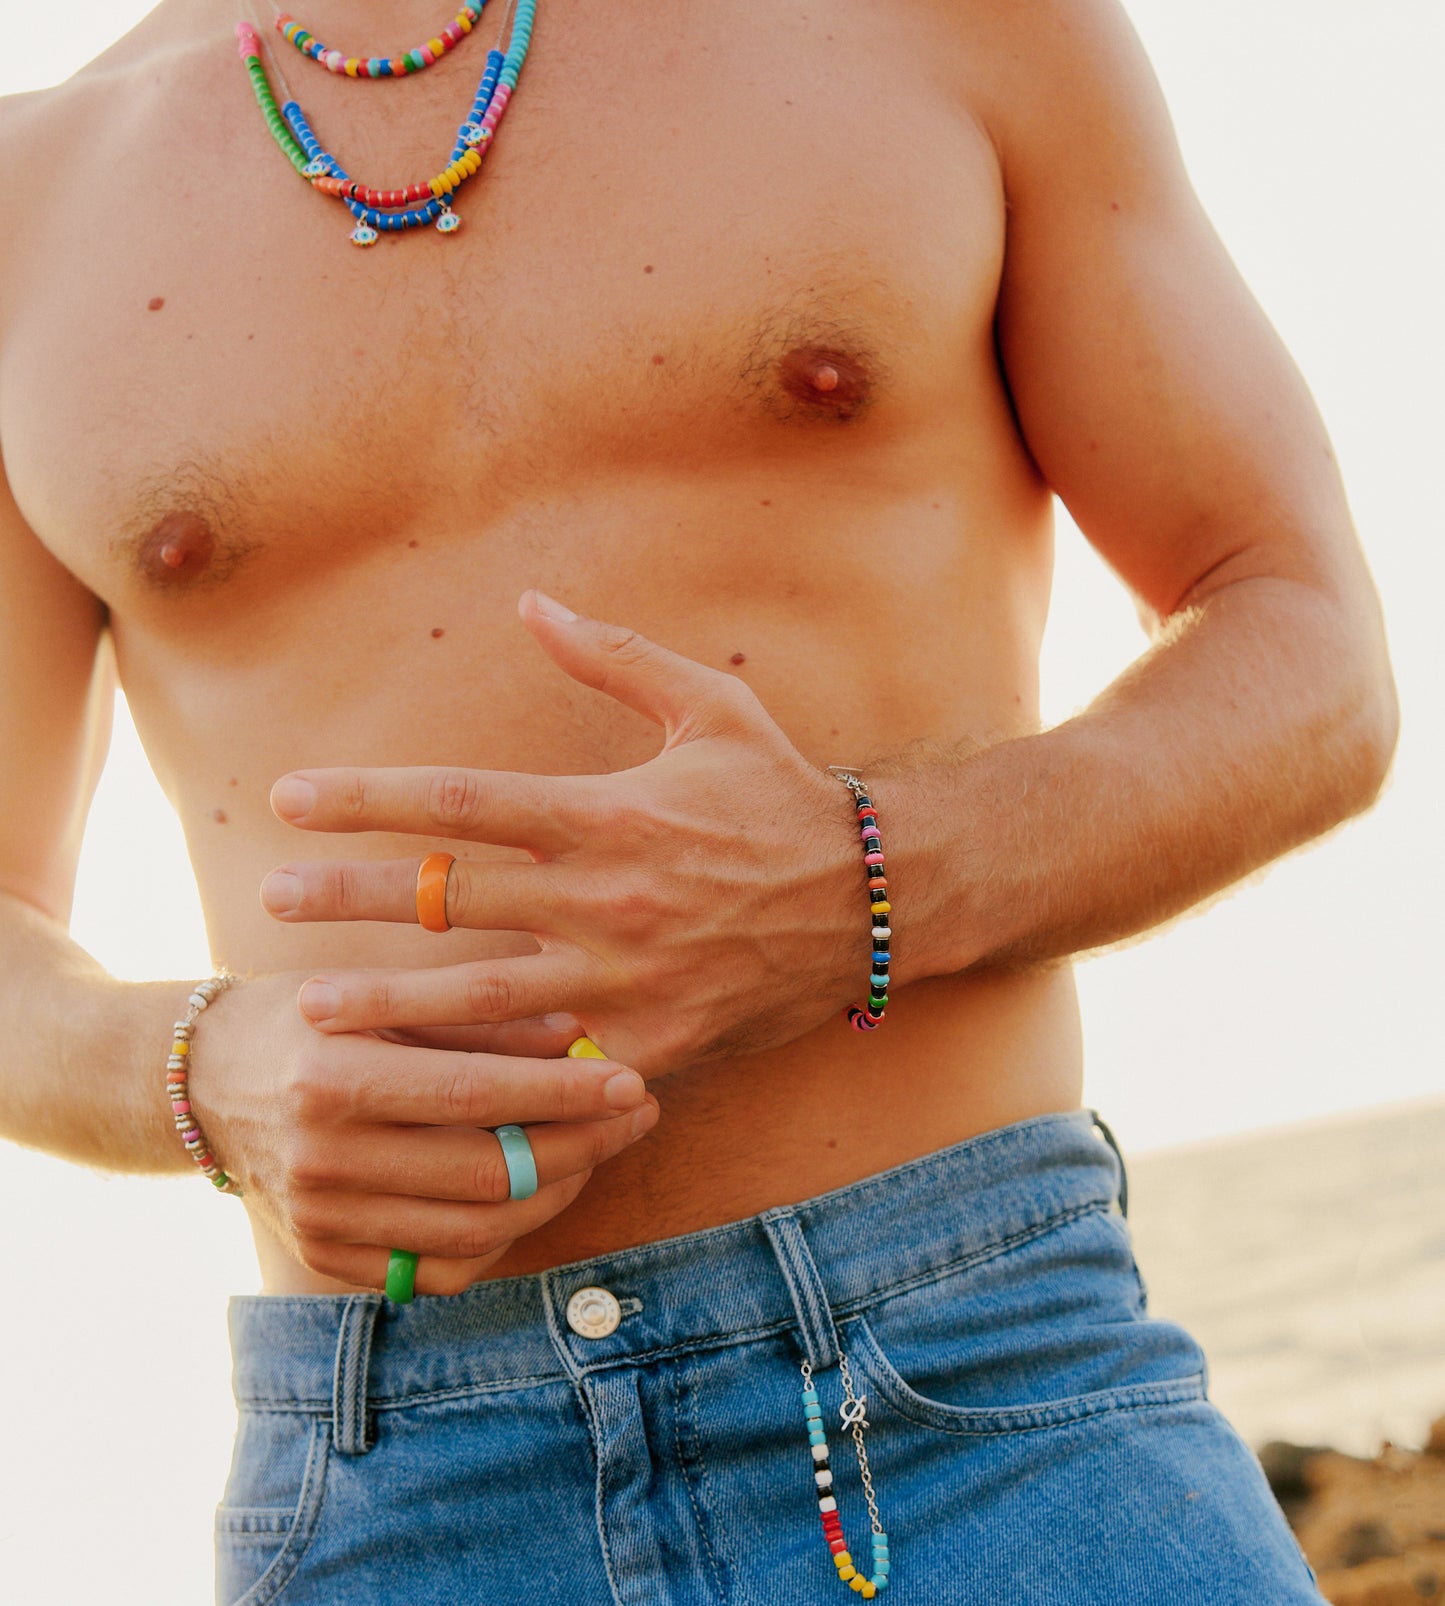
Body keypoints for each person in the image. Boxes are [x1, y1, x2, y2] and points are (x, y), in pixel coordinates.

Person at [0, 0, 1397, 1600]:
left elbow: (1305, 647)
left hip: (983, 1390)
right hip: (405, 1474)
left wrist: (864, 879)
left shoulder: (942, 25)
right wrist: (205, 1069)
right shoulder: (27, 199)